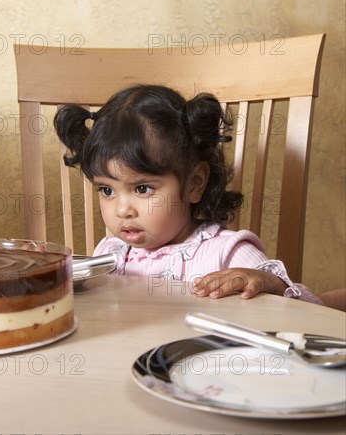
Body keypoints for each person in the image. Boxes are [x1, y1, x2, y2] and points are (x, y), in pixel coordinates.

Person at [54, 84, 321, 303]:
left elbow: (305, 310)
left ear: (195, 183)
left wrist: (268, 282)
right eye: (107, 190)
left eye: (143, 188)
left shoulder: (225, 252)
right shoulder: (111, 253)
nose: (122, 210)